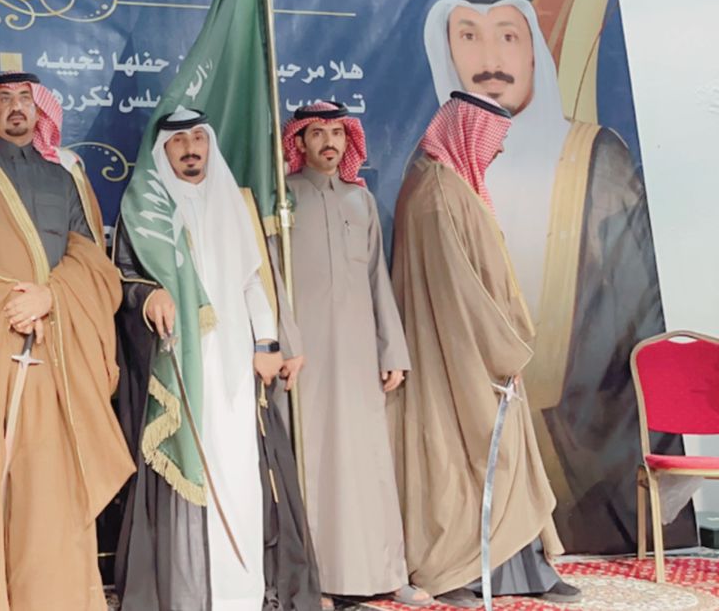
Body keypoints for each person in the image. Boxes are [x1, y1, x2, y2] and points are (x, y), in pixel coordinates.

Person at [421, 0, 675, 550]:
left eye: (508, 37)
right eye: (469, 36)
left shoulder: (595, 159)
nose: (491, 60)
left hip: (586, 447)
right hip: (474, 406)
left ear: (535, 51)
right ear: (446, 51)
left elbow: (633, 318)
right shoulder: (438, 178)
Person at [112, 107, 318, 611]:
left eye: (198, 139)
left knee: (242, 471)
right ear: (162, 152)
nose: (191, 150)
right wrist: (150, 296)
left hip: (235, 368)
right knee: (192, 467)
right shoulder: (145, 209)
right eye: (179, 142)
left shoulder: (233, 201)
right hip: (179, 365)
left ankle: (241, 592)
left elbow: (252, 281)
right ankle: (189, 592)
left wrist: (266, 343)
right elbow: (123, 279)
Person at [0, 71, 132, 611]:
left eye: (25, 98)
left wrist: (51, 298)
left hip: (57, 350)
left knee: (51, 487)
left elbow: (92, 262)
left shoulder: (64, 177)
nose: (15, 107)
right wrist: (11, 305)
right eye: (3, 99)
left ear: (40, 109)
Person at [390, 91, 578, 607]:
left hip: (479, 354)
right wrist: (504, 351)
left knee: (504, 458)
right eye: (493, 139)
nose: (498, 150)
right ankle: (457, 572)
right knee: (467, 462)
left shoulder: (450, 185)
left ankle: (528, 572)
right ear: (466, 132)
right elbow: (459, 292)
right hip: (459, 358)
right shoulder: (437, 193)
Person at [281, 102, 426, 608]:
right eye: (317, 133)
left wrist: (393, 350)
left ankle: (387, 573)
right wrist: (285, 343)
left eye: (338, 133)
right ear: (299, 142)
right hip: (306, 360)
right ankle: (317, 580)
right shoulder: (283, 200)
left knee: (370, 465)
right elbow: (271, 277)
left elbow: (376, 280)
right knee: (316, 464)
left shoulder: (360, 201)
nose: (329, 142)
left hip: (361, 356)